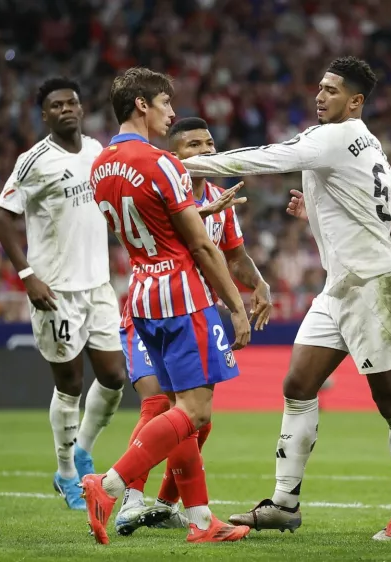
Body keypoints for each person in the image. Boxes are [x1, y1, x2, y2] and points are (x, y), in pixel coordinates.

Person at [182, 56, 391, 542]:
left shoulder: (333, 137)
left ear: (355, 101)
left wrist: (171, 163)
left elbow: (261, 158)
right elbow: (365, 212)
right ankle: (285, 503)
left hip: (373, 285)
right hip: (343, 284)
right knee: (298, 384)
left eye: (332, 90)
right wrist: (314, 209)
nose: (320, 96)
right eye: (319, 87)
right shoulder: (365, 142)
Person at [79, 67, 253, 545]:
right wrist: (236, 305)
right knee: (195, 413)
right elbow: (200, 247)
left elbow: (150, 223)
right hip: (181, 294)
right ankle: (110, 485)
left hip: (141, 293)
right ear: (141, 105)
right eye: (164, 104)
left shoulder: (101, 165)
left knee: (176, 408)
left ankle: (201, 522)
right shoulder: (163, 163)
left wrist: (198, 213)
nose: (171, 113)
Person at [114, 117, 273, 535]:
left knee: (197, 418)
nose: (205, 151)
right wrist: (237, 307)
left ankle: (166, 505)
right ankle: (127, 498)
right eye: (193, 146)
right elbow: (180, 234)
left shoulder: (220, 196)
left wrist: (258, 284)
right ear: (174, 156)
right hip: (150, 310)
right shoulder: (163, 189)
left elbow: (234, 256)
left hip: (194, 311)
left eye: (210, 143)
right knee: (159, 405)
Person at [0, 77, 126, 511]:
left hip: (99, 285)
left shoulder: (97, 152)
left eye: (72, 102)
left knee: (113, 377)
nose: (66, 108)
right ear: (44, 114)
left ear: (81, 108)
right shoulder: (34, 161)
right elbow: (2, 217)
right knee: (69, 384)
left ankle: (83, 448)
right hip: (56, 291)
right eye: (56, 105)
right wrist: (27, 275)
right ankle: (67, 472)